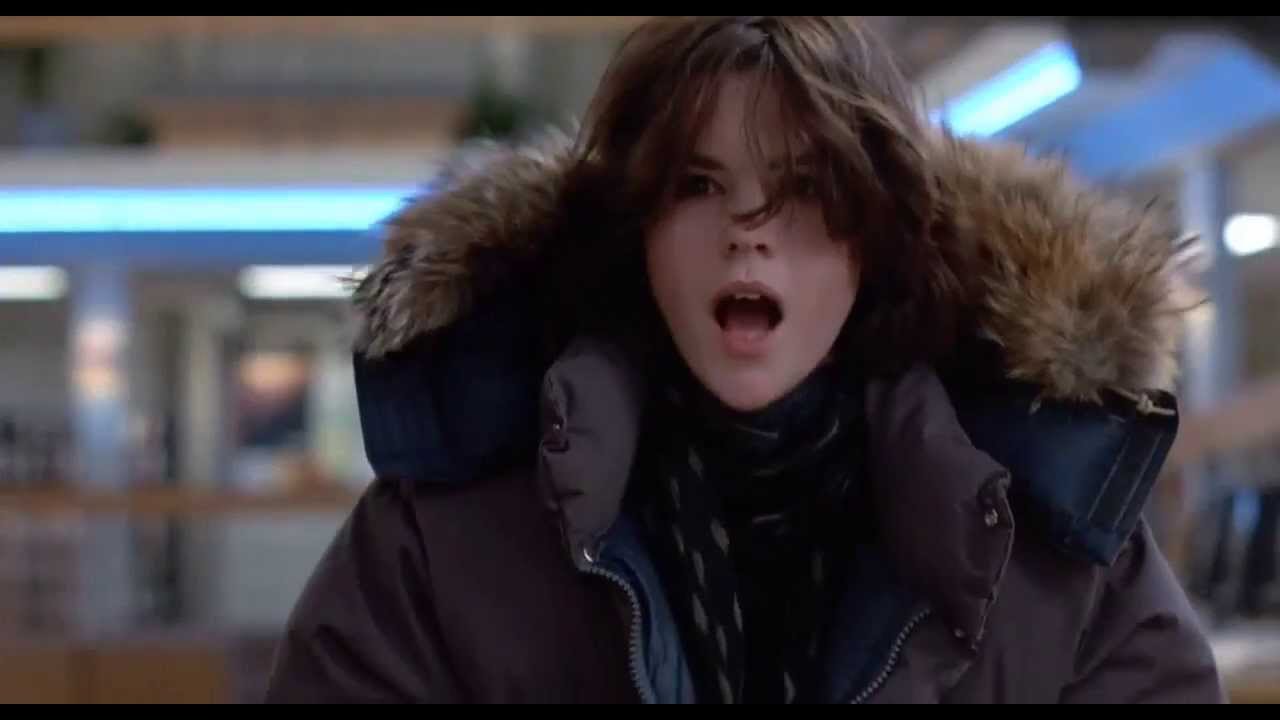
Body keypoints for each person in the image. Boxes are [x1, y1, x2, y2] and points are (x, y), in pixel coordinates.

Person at [266, 16, 1225, 703]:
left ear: (874, 237)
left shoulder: (1043, 534)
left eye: (804, 188)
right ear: (637, 229)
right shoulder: (445, 535)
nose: (748, 232)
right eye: (697, 184)